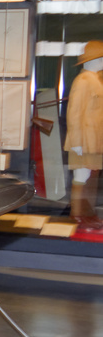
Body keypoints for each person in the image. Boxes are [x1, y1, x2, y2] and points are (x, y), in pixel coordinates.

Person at [65, 41, 103, 222]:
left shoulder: (96, 80)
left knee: (92, 176)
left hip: (95, 140)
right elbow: (74, 114)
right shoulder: (82, 81)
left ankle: (88, 215)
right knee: (81, 176)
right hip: (84, 140)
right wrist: (77, 142)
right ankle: (78, 216)